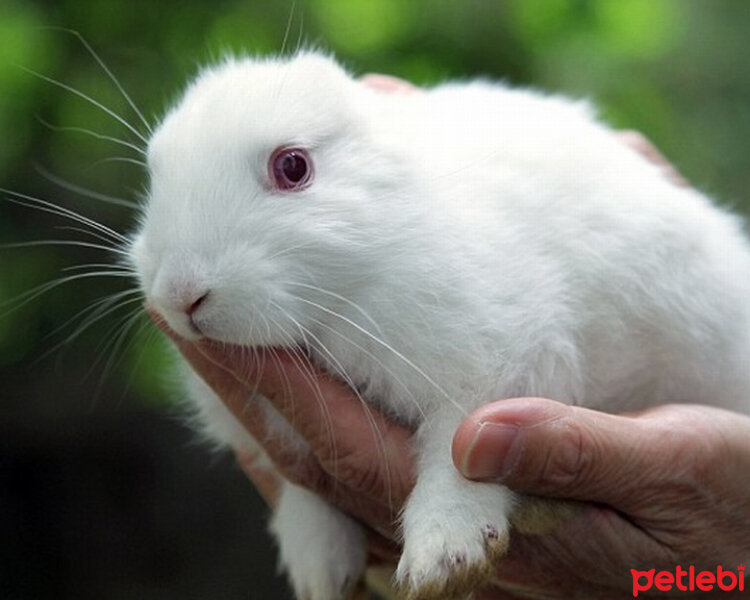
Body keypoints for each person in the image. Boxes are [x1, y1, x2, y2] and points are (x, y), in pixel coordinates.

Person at [151, 76, 750, 599]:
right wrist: (307, 494)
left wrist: (459, 491)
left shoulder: (429, 252)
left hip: (696, 369)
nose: (180, 283)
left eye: (290, 170)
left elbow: (517, 344)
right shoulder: (192, 284)